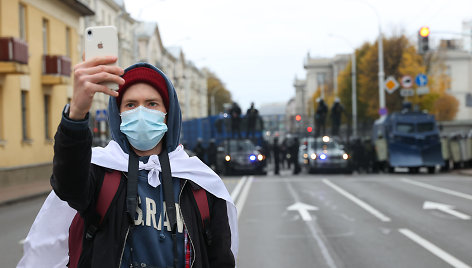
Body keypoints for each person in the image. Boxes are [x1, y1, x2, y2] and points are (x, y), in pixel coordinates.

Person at [18, 59, 237, 268]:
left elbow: (220, 258)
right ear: (118, 114)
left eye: (152, 104)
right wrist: (76, 114)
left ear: (168, 114)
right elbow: (68, 182)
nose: (141, 112)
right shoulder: (100, 171)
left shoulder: (199, 182)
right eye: (131, 105)